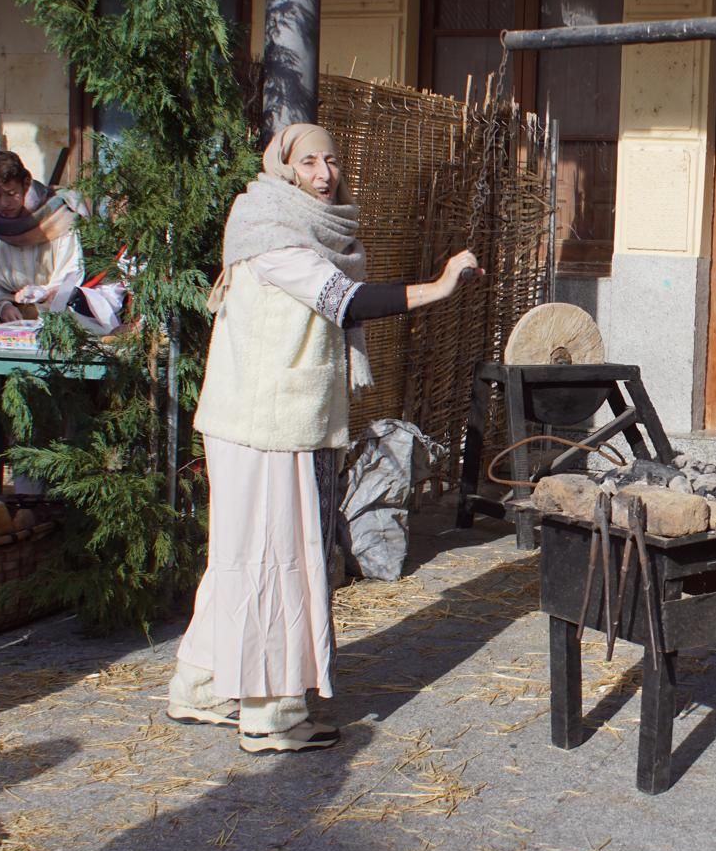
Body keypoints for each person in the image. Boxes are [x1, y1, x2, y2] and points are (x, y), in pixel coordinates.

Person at [166, 123, 483, 753]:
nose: (324, 173)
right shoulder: (274, 233)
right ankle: (272, 715)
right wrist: (440, 286)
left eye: (332, 160)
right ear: (283, 169)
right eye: (309, 161)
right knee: (275, 560)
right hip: (264, 425)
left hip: (267, 421)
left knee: (243, 555)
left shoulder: (300, 230)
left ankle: (199, 684)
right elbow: (345, 300)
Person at [0, 150, 85, 322]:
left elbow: (71, 273)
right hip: (8, 320)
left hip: (58, 315)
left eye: (11, 194)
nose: (4, 203)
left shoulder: (59, 220)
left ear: (26, 184)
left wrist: (45, 293)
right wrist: (2, 304)